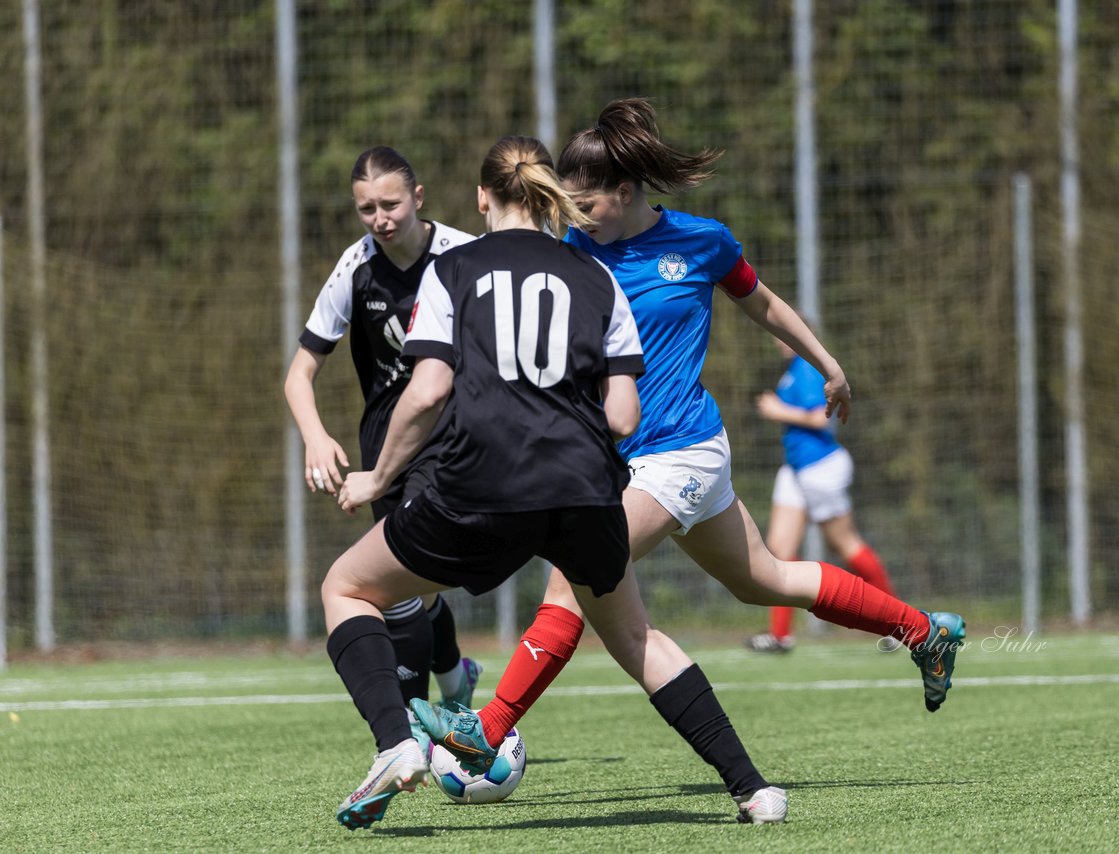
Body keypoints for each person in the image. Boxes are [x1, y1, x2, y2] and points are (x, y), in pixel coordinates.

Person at [415, 99, 964, 783]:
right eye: (569, 204)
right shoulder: (571, 254)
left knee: (568, 585)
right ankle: (923, 632)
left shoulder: (701, 243)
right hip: (620, 466)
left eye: (587, 202)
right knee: (763, 579)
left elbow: (762, 302)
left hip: (683, 451)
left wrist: (828, 365)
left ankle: (486, 730)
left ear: (625, 191)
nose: (577, 216)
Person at [325, 135, 785, 830]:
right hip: (581, 491)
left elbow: (425, 394)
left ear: (482, 198)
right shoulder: (596, 275)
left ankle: (396, 743)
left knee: (348, 587)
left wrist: (377, 477)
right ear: (547, 195)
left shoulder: (452, 272)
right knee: (635, 638)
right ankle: (754, 791)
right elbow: (625, 413)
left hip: (476, 492)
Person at [283, 146, 482, 716]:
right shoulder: (356, 267)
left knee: (399, 585)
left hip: (449, 442)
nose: (381, 219)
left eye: (391, 204)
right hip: (383, 451)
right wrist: (316, 437)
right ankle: (454, 678)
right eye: (367, 209)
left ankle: (412, 728)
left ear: (418, 198)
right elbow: (299, 374)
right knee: (415, 585)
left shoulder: (465, 256)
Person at [745, 335, 899, 654]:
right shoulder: (791, 371)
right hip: (795, 470)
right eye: (777, 335)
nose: (780, 341)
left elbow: (820, 418)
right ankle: (780, 635)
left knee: (845, 544)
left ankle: (899, 625)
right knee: (779, 549)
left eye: (787, 334)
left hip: (820, 467)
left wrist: (778, 410)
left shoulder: (806, 370)